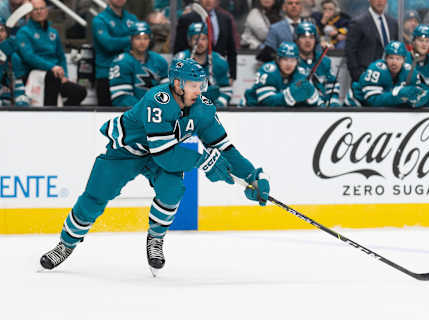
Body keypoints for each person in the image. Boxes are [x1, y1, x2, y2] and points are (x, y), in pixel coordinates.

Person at [39, 58, 271, 275]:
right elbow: (165, 156)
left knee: (172, 189)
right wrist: (203, 160)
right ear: (177, 84)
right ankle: (65, 245)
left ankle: (156, 238)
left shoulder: (204, 107)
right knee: (94, 198)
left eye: (201, 84)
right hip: (127, 151)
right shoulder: (158, 100)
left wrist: (252, 175)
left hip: (161, 153)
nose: (198, 91)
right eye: (192, 85)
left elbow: (225, 148)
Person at [15, 0, 86, 106]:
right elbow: (29, 57)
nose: (39, 12)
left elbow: (61, 56)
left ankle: (62, 114)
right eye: (35, 9)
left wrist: (64, 75)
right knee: (52, 76)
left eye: (42, 8)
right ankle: (49, 113)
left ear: (47, 10)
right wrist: (52, 67)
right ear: (29, 12)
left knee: (79, 92)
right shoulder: (23, 32)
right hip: (35, 74)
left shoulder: (53, 32)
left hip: (55, 73)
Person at [345, 41, 429, 108]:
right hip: (355, 105)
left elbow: (423, 92)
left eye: (398, 59)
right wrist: (398, 95)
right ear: (385, 59)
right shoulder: (376, 69)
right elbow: (373, 100)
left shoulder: (410, 72)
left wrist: (422, 98)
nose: (394, 62)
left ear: (404, 60)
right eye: (391, 58)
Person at [174, 0, 238, 81]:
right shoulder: (186, 19)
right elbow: (179, 47)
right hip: (191, 74)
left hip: (218, 73)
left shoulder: (225, 18)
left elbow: (231, 49)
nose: (208, 1)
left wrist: (232, 75)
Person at [243, 41, 321, 107]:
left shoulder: (301, 73)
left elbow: (312, 102)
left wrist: (311, 96)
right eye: (285, 59)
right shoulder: (268, 71)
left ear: (297, 61)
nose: (289, 64)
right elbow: (266, 101)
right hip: (250, 110)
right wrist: (289, 96)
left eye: (293, 60)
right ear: (278, 59)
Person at [109, 22, 169, 107]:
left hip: (156, 112)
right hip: (130, 114)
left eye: (145, 38)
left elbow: (167, 92)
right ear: (131, 39)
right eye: (138, 38)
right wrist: (144, 109)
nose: (142, 42)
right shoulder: (121, 62)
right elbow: (121, 97)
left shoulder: (159, 60)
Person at [92, 0, 138, 106]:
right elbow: (108, 44)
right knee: (106, 118)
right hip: (106, 74)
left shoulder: (132, 19)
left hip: (130, 73)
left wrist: (133, 41)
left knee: (132, 115)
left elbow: (141, 44)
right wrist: (131, 40)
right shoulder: (100, 19)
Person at [175, 22, 232, 107]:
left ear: (209, 41)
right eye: (196, 39)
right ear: (189, 41)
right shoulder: (180, 60)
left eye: (204, 39)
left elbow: (226, 90)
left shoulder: (220, 62)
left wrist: (218, 106)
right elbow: (172, 90)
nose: (200, 43)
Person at [345, 0, 399, 82]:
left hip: (389, 78)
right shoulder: (358, 23)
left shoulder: (393, 23)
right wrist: (359, 76)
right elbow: (350, 52)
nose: (380, 1)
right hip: (366, 78)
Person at [295, 22, 341, 107]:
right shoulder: (292, 62)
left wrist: (333, 103)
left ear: (316, 40)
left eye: (311, 37)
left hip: (323, 108)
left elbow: (332, 85)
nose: (307, 41)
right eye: (303, 37)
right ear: (297, 40)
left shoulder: (325, 61)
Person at [0, 17, 28, 106]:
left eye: (1, 30)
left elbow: (18, 85)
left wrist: (20, 100)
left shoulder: (13, 56)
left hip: (8, 99)